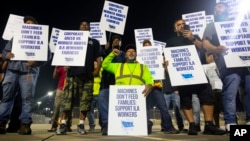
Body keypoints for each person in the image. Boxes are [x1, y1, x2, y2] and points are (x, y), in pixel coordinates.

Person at [166, 18, 226, 135]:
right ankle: (192, 126)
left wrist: (192, 38)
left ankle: (209, 125)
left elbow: (204, 49)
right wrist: (166, 64)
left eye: (184, 23)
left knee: (207, 95)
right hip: (182, 73)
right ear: (175, 29)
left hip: (197, 71)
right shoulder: (171, 41)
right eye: (179, 24)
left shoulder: (195, 37)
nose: (182, 26)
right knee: (185, 99)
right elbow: (167, 57)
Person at [202, 2, 250, 132]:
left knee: (249, 90)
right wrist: (216, 49)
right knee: (230, 93)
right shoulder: (211, 26)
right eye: (215, 7)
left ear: (227, 9)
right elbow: (205, 43)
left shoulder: (239, 22)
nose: (217, 9)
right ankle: (230, 122)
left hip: (246, 63)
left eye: (220, 6)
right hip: (227, 63)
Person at [0, 16, 51, 135]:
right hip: (12, 70)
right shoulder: (16, 37)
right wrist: (7, 55)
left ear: (36, 26)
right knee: (7, 97)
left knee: (27, 99)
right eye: (26, 23)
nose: (28, 24)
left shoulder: (41, 37)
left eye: (30, 23)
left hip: (29, 71)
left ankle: (25, 124)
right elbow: (4, 52)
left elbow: (47, 56)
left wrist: (37, 62)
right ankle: (1, 123)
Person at [56, 18, 102, 135]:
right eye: (82, 24)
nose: (84, 26)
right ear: (79, 27)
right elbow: (63, 53)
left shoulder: (94, 42)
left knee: (85, 101)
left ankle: (81, 124)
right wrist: (64, 64)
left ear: (89, 28)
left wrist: (97, 70)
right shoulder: (71, 40)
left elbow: (98, 57)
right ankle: (63, 124)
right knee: (67, 100)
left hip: (87, 75)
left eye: (86, 25)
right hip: (72, 74)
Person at [142, 39, 180, 134]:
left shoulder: (159, 57)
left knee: (163, 107)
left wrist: (164, 66)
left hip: (156, 87)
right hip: (145, 86)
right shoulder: (140, 58)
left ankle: (168, 127)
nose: (147, 47)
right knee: (145, 108)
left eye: (149, 45)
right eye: (145, 45)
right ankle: (146, 126)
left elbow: (165, 72)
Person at [98, 34, 126, 135]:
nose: (116, 41)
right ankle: (105, 125)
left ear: (120, 43)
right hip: (106, 83)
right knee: (103, 102)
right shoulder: (106, 52)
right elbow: (100, 58)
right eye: (114, 40)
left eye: (118, 40)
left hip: (118, 84)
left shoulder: (123, 54)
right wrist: (104, 49)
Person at [48, 66, 72, 132]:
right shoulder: (61, 66)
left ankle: (68, 125)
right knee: (57, 107)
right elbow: (54, 76)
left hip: (69, 89)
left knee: (68, 108)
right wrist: (56, 68)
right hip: (60, 89)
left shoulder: (73, 66)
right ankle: (54, 125)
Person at [203, 52, 223, 128]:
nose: (206, 59)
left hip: (218, 89)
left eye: (207, 57)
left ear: (211, 57)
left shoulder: (217, 65)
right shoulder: (205, 66)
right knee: (217, 109)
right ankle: (218, 125)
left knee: (219, 109)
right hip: (217, 88)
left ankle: (219, 125)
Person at [86, 61, 102, 132]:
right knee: (90, 111)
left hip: (99, 94)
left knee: (101, 111)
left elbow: (100, 75)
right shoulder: (89, 71)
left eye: (96, 64)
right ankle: (92, 126)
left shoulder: (101, 70)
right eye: (94, 64)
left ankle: (103, 126)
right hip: (91, 94)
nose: (95, 65)